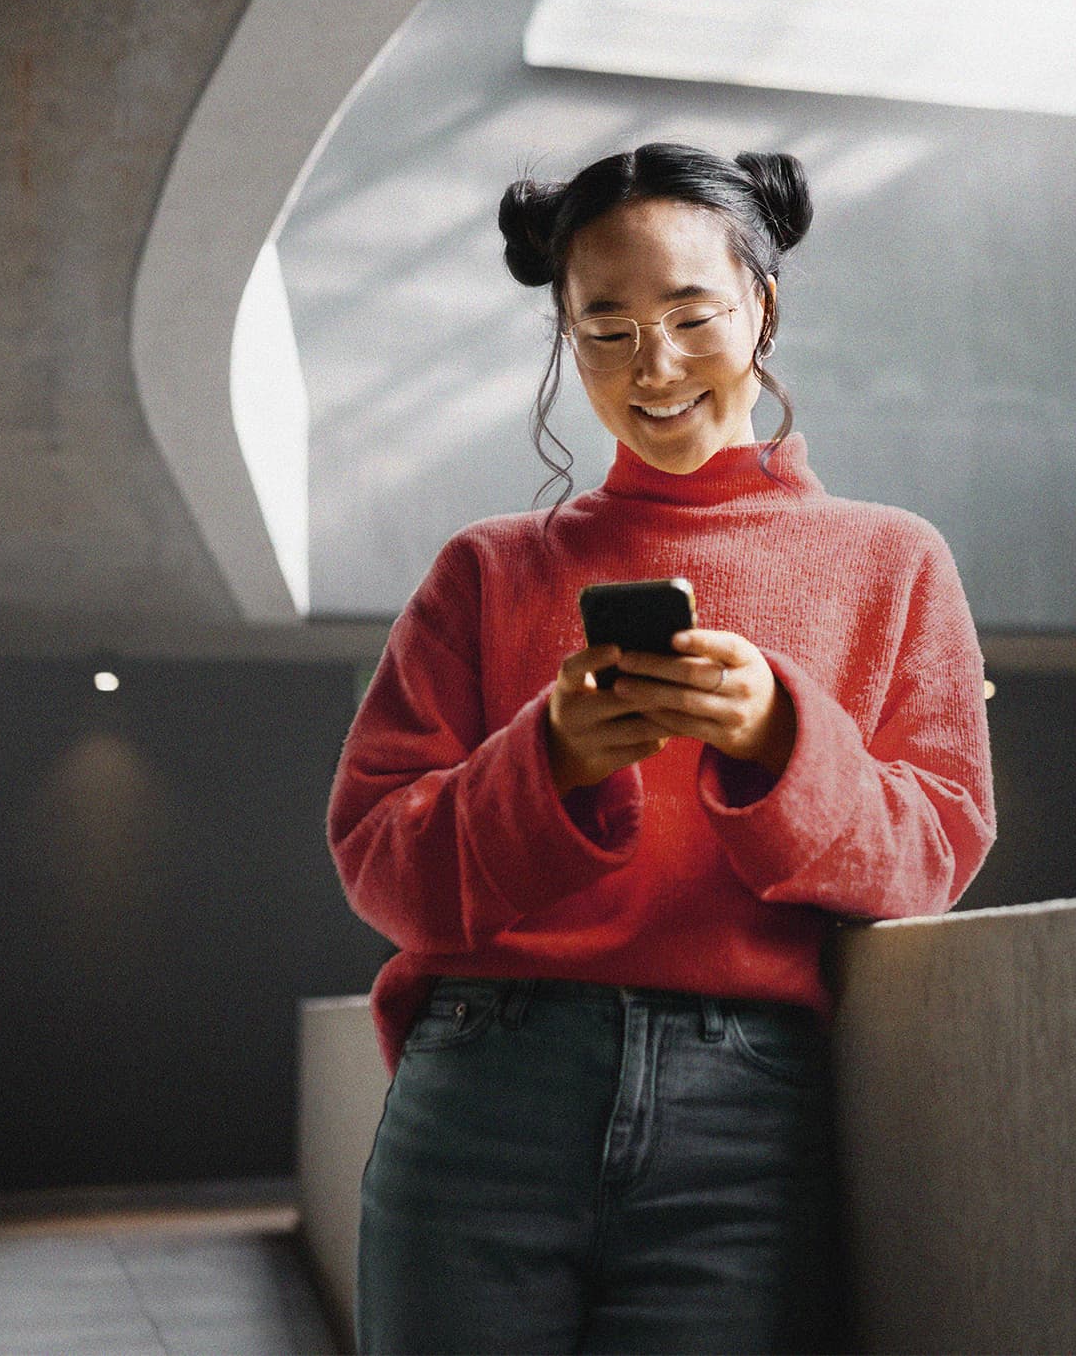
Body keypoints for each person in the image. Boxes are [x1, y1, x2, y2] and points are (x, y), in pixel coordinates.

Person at [328, 141, 996, 1355]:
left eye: (691, 314)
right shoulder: (485, 570)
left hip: (742, 1107)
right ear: (563, 341)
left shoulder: (894, 560)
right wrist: (550, 764)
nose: (654, 365)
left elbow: (938, 849)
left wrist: (783, 739)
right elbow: (378, 858)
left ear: (763, 304)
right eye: (605, 328)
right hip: (483, 1091)